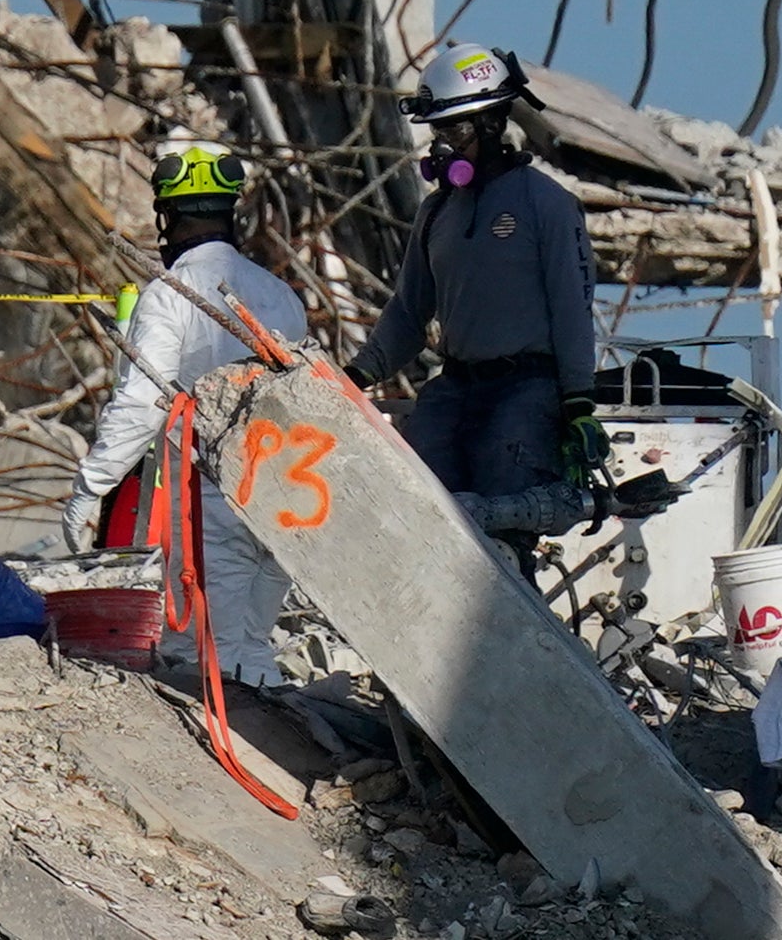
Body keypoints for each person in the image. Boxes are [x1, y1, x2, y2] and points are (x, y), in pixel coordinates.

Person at [58, 138, 311, 687]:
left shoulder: (171, 294)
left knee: (206, 655)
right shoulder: (282, 297)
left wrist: (89, 489)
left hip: (213, 500)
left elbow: (141, 402)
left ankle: (232, 762)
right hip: (282, 497)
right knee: (248, 643)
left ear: (167, 216)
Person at [341, 41, 601, 525]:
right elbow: (408, 311)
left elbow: (572, 309)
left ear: (491, 123)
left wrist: (578, 401)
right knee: (422, 516)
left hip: (524, 392)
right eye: (438, 131)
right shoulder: (436, 212)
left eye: (454, 130)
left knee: (503, 528)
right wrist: (354, 377)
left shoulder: (547, 205)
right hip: (455, 388)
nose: (443, 145)